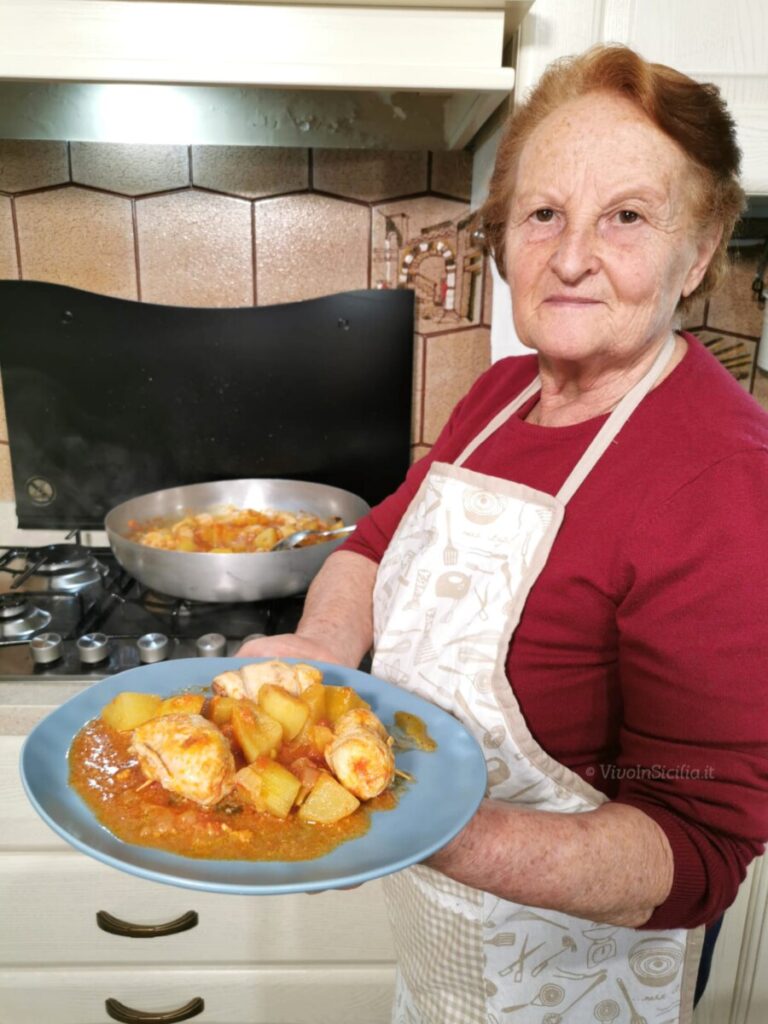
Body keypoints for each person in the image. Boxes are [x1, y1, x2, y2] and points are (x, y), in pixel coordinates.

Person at [239, 45, 768, 1023]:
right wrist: (314, 653)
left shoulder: (725, 477)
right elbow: (374, 543)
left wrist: (408, 822)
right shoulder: (500, 394)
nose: (571, 257)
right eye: (543, 214)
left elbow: (695, 844)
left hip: (581, 984)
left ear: (697, 252)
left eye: (627, 216)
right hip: (441, 952)